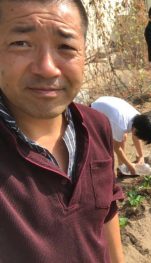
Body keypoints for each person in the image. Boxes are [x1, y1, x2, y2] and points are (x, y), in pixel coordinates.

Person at [0, 0, 125, 262]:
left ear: (84, 54)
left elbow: (106, 212)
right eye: (21, 43)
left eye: (66, 46)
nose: (47, 68)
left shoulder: (97, 125)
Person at [91, 96, 151, 175]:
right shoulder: (121, 126)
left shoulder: (140, 119)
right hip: (94, 112)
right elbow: (117, 148)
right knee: (106, 145)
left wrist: (141, 156)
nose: (140, 138)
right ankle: (110, 170)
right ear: (135, 130)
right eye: (141, 137)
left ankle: (121, 167)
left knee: (123, 137)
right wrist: (130, 166)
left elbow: (136, 137)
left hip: (105, 102)